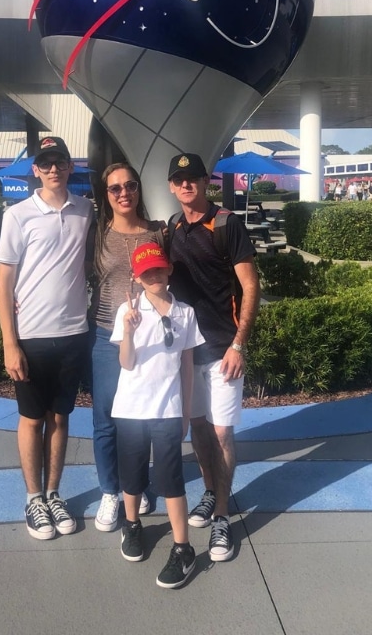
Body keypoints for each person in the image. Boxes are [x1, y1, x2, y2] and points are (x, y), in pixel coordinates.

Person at [0, 136, 95, 541]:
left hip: (74, 333)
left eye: (60, 162)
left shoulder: (85, 209)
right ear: (35, 169)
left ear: (70, 167)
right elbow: (4, 283)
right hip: (32, 336)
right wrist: (10, 342)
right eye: (46, 163)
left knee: (60, 416)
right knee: (32, 418)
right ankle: (33, 497)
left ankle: (54, 493)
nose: (54, 169)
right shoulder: (18, 215)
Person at [167, 153, 260, 562]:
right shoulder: (171, 229)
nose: (186, 185)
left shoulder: (226, 224)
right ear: (171, 186)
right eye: (179, 179)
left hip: (224, 348)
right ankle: (209, 492)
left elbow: (251, 287)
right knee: (200, 430)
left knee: (222, 434)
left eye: (193, 178)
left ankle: (222, 516)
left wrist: (239, 344)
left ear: (206, 182)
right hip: (187, 352)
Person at [111, 242, 204, 588]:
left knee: (171, 479)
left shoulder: (186, 313)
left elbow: (188, 367)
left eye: (159, 268)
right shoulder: (129, 311)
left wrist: (185, 412)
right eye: (146, 271)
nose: (154, 275)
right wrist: (130, 333)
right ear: (136, 277)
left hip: (167, 409)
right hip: (131, 409)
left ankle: (183, 548)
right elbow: (126, 362)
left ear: (169, 270)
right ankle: (132, 525)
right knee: (132, 475)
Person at [90, 162, 166, 532]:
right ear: (106, 195)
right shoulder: (97, 235)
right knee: (106, 420)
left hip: (150, 338)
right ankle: (109, 491)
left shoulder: (158, 232)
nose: (124, 193)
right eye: (115, 188)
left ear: (138, 189)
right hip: (107, 335)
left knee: (140, 420)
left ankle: (135, 484)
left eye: (130, 185)